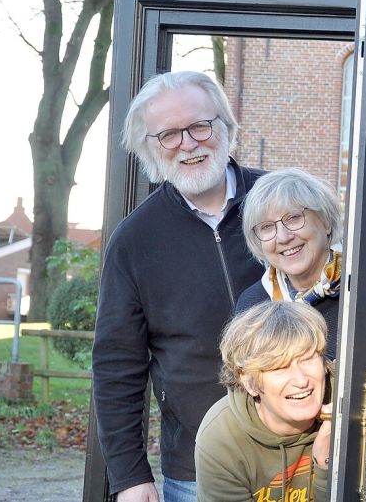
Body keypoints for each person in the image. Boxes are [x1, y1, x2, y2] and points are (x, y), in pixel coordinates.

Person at [92, 70, 265, 502]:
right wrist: (129, 476)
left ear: (225, 126)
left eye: (199, 126)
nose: (188, 143)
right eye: (168, 134)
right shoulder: (134, 242)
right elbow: (117, 366)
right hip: (197, 471)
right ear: (148, 150)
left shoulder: (282, 206)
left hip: (303, 457)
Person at [195, 301, 332, 501]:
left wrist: (326, 465)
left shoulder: (353, 403)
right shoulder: (222, 438)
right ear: (249, 382)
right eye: (279, 367)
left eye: (307, 359)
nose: (302, 380)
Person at [235, 168, 343, 359]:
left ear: (325, 221)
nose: (283, 238)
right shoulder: (253, 304)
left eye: (293, 218)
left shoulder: (359, 292)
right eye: (267, 227)